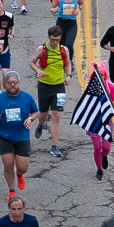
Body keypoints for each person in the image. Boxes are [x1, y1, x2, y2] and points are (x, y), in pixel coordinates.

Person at [0, 70, 39, 199]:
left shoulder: (27, 97)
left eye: (14, 82)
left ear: (19, 82)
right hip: (6, 137)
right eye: (9, 83)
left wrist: (30, 119)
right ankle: (11, 190)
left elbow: (36, 112)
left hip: (22, 138)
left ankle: (20, 175)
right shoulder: (0, 98)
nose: (12, 85)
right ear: (5, 84)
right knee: (8, 165)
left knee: (23, 167)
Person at [29, 26, 72, 159]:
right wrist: (38, 71)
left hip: (59, 87)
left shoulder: (64, 50)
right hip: (44, 86)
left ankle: (54, 146)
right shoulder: (42, 49)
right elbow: (31, 62)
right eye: (53, 40)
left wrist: (69, 76)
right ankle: (41, 125)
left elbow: (68, 64)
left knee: (56, 115)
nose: (55, 43)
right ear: (48, 37)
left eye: (57, 40)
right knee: (43, 114)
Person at [49, 0, 82, 66]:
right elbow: (51, 8)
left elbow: (81, 4)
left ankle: (70, 62)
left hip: (71, 23)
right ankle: (62, 60)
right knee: (61, 44)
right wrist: (54, 10)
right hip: (61, 23)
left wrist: (78, 9)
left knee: (69, 44)